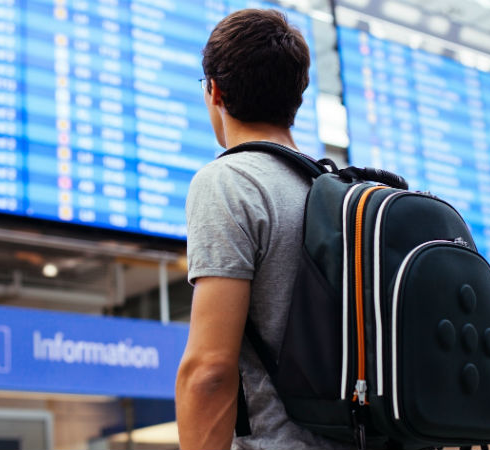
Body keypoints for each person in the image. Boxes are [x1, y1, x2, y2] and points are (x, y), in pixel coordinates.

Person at [175, 9, 353, 450]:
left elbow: (209, 371)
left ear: (214, 91)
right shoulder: (339, 192)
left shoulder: (230, 182)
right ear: (298, 96)